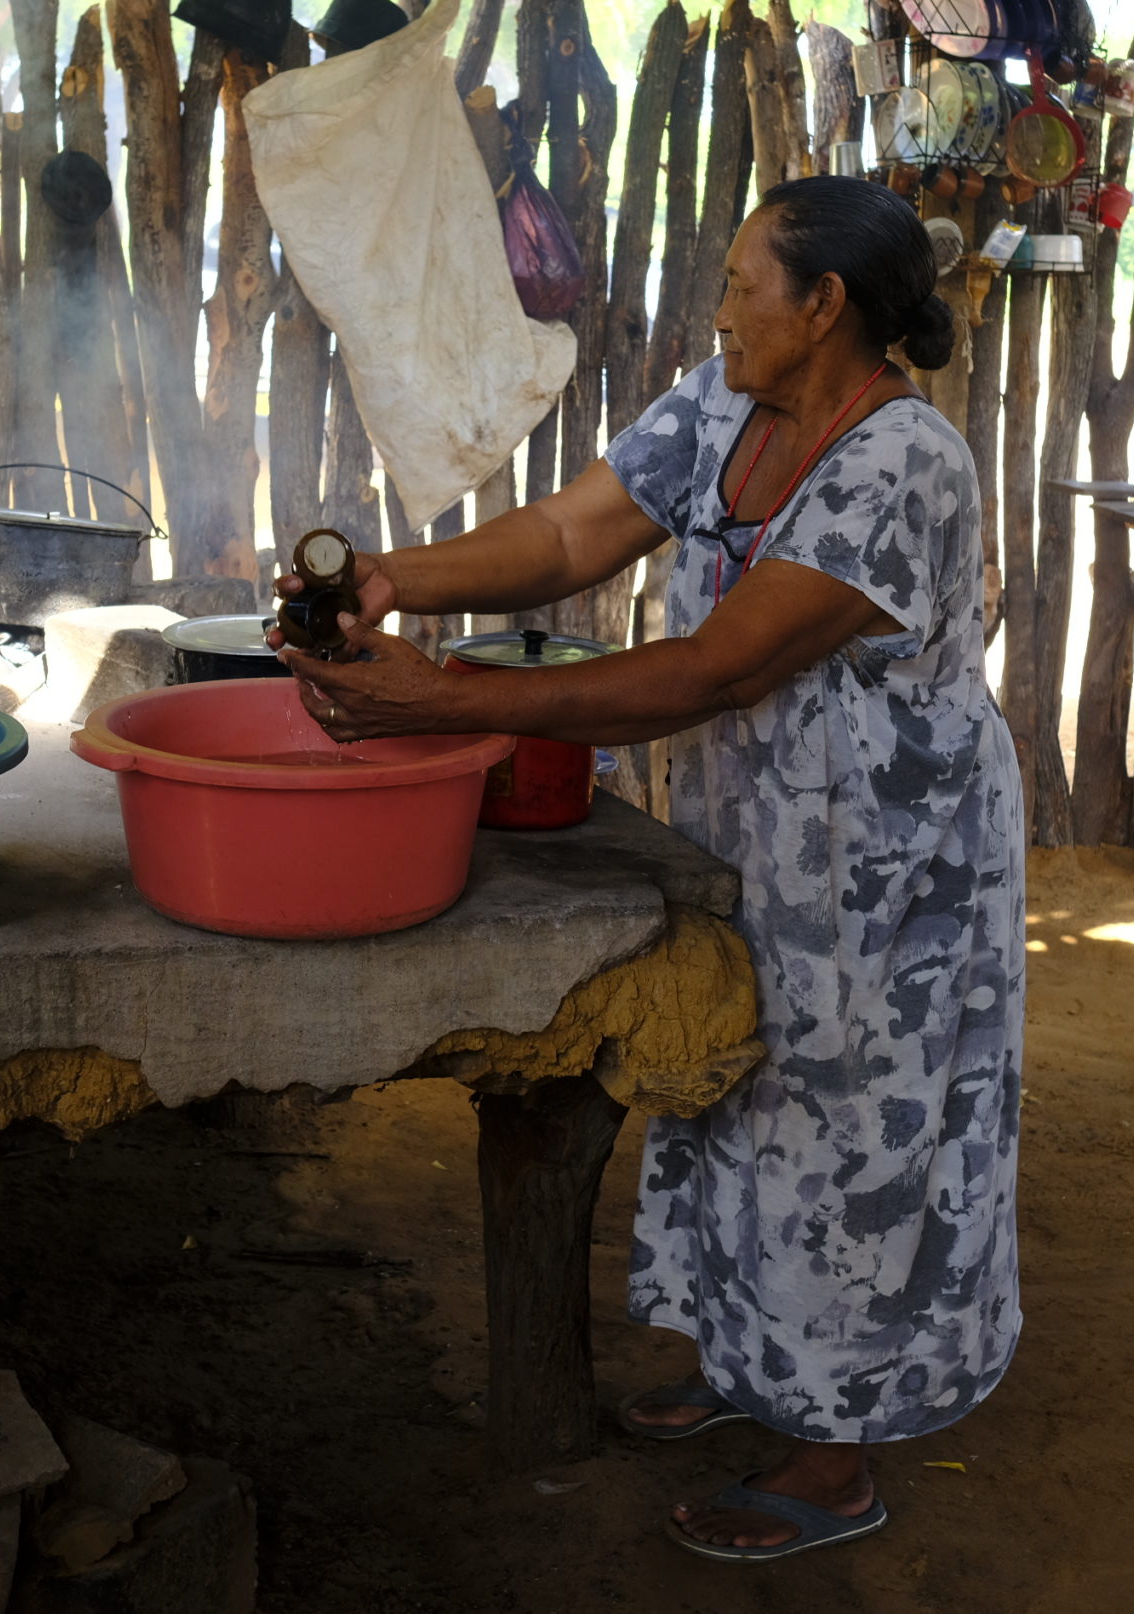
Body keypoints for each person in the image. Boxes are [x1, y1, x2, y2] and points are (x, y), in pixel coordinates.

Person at [275, 176, 1024, 1564]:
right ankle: (747, 1355)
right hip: (762, 824)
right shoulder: (729, 402)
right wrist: (393, 579)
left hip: (891, 861)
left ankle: (831, 1445)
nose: (722, 308)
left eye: (746, 286)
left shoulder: (904, 464)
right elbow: (570, 533)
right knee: (737, 1075)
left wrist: (444, 700)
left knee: (853, 1129)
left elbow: (710, 665)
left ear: (826, 309)